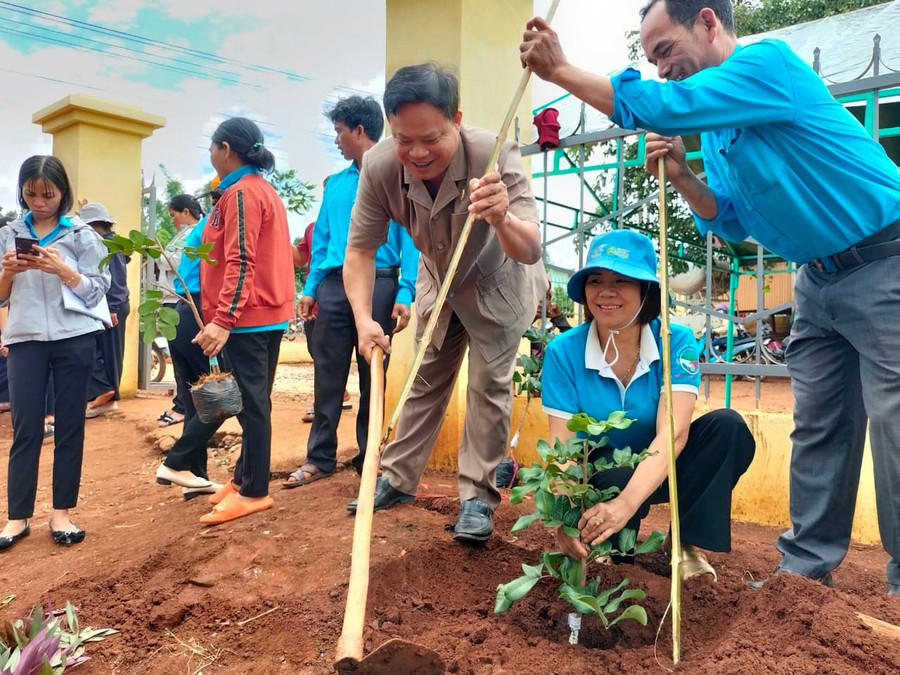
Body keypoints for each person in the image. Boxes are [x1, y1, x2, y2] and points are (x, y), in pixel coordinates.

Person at [520, 0, 900, 593]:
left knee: (895, 421)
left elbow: (661, 104)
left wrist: (561, 72)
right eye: (649, 59)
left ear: (707, 21)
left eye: (664, 51)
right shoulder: (721, 130)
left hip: (886, 260)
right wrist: (679, 173)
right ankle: (802, 576)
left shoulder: (766, 66)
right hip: (817, 279)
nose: (661, 68)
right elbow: (729, 219)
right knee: (820, 425)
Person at [343, 63, 546, 542]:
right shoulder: (379, 166)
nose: (416, 152)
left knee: (487, 388)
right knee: (424, 376)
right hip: (438, 278)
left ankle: (477, 497)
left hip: (499, 281)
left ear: (457, 118)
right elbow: (359, 251)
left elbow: (530, 247)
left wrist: (501, 218)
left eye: (430, 138)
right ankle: (396, 478)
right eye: (402, 138)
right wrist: (362, 320)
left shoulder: (495, 155)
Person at [541, 229, 755, 577]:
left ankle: (685, 542)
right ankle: (608, 543)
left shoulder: (676, 341)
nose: (606, 292)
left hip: (666, 467)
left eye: (622, 281)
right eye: (596, 280)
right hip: (602, 476)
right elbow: (561, 451)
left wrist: (626, 504)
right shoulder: (563, 352)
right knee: (612, 465)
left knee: (727, 428)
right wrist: (563, 517)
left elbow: (674, 436)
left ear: (646, 291)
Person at [155, 117, 294, 525]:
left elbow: (242, 258)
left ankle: (254, 491)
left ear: (226, 148)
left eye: (212, 148)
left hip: (248, 318)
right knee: (255, 402)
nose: (211, 155)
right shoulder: (259, 191)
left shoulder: (240, 194)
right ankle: (243, 479)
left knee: (251, 406)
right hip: (263, 313)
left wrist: (224, 319)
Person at [285, 96, 419, 487]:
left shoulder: (397, 174)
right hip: (332, 286)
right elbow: (323, 238)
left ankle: (370, 460)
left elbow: (410, 237)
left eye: (340, 133)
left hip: (380, 283)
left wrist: (405, 291)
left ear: (359, 131)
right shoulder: (337, 186)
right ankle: (319, 458)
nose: (337, 141)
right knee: (327, 375)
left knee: (371, 375)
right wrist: (310, 288)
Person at [0, 155, 110, 552]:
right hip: (26, 338)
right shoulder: (9, 233)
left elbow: (100, 289)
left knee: (69, 425)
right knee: (25, 426)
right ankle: (17, 517)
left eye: (48, 194)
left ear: (63, 193)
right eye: (31, 194)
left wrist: (65, 272)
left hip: (74, 336)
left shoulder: (82, 235)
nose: (39, 202)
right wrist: (10, 271)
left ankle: (61, 513)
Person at [156, 193, 206, 428]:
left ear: (186, 212)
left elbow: (180, 262)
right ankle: (184, 406)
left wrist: (160, 255)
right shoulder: (182, 235)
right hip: (173, 298)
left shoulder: (196, 233)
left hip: (186, 299)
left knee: (188, 359)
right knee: (179, 359)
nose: (172, 219)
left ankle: (188, 408)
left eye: (173, 214)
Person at [81, 202, 130, 418]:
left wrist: (112, 308)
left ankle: (106, 394)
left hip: (112, 305)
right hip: (108, 305)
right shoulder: (106, 243)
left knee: (106, 351)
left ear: (94, 225)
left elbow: (117, 280)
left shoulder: (111, 245)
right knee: (104, 350)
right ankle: (105, 394)